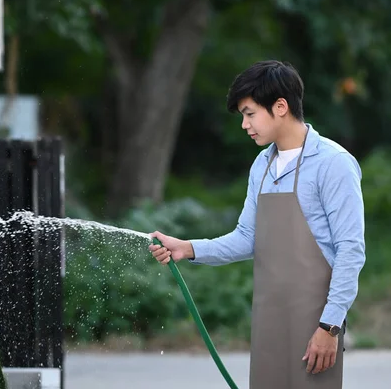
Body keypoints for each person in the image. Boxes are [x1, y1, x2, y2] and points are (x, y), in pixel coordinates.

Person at [149, 60, 365, 388]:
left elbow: (351, 251)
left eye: (249, 114)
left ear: (280, 107)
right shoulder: (261, 165)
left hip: (316, 326)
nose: (244, 125)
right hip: (268, 320)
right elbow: (247, 238)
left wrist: (330, 327)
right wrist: (188, 248)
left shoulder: (334, 164)